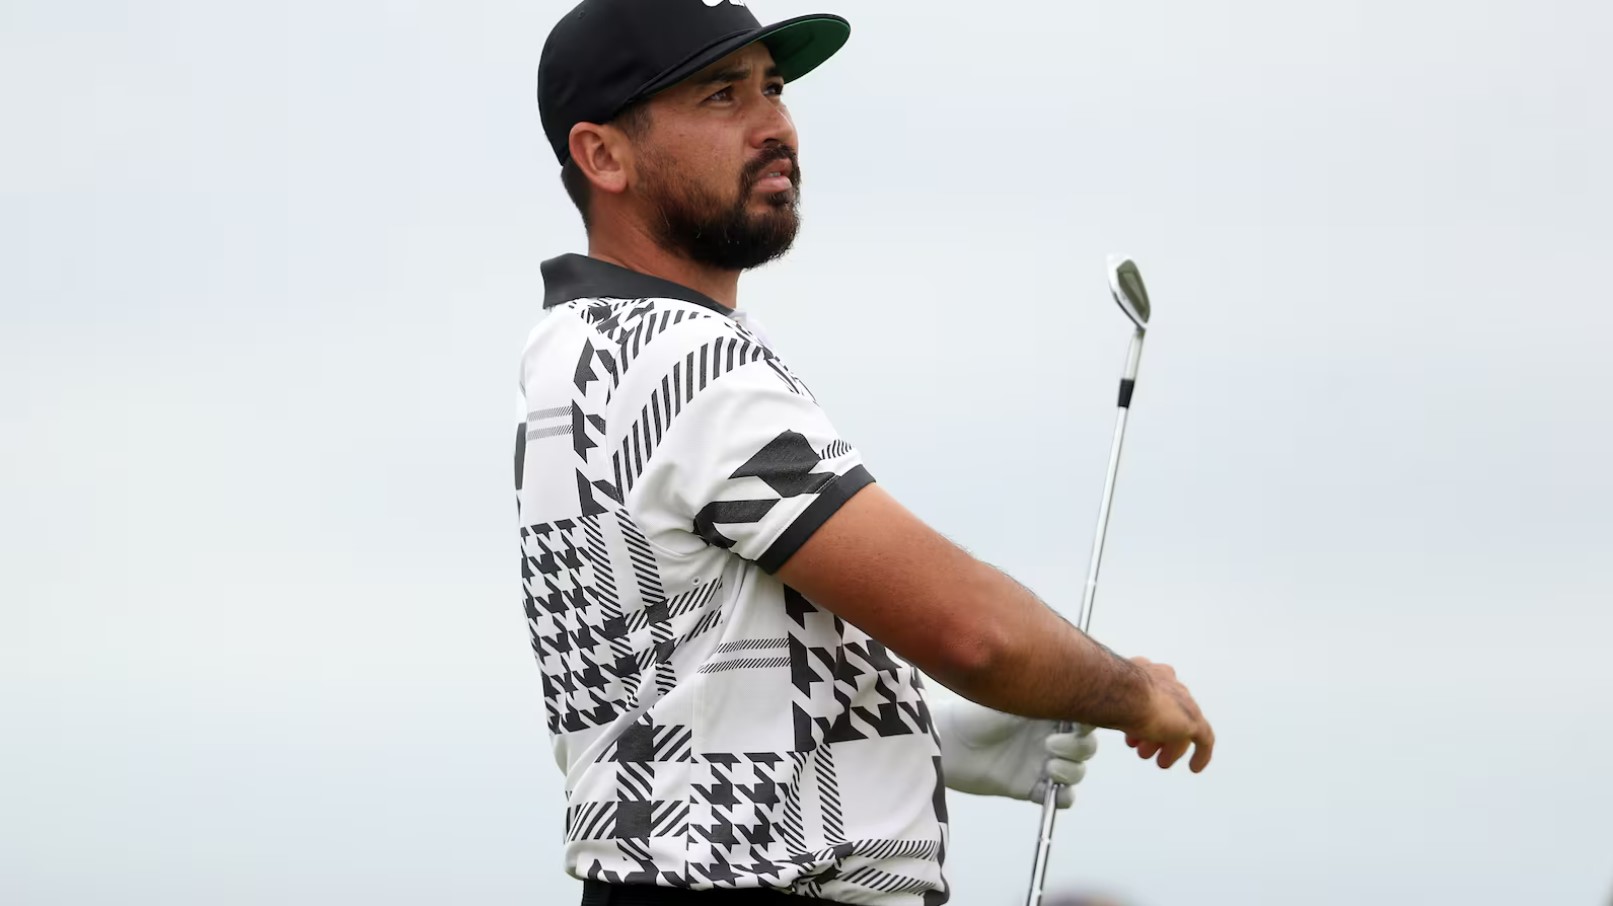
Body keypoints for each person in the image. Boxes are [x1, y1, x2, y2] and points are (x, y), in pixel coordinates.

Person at [515, 2, 1215, 904]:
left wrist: (918, 734)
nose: (775, 125)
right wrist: (1126, 690)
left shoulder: (577, 349)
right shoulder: (677, 358)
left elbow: (683, 674)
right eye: (721, 97)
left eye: (773, 88)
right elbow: (975, 633)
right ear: (602, 155)